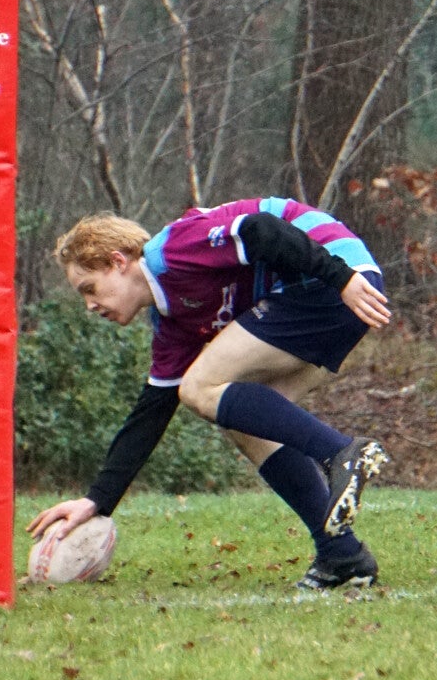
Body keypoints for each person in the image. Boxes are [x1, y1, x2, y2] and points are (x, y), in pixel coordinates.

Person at [28, 197, 393, 588]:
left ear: (117, 262)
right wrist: (97, 501)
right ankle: (342, 554)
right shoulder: (172, 324)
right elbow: (150, 415)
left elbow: (262, 229)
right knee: (243, 420)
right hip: (328, 289)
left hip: (334, 277)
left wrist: (341, 278)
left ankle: (341, 453)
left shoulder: (172, 252)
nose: (89, 305)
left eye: (90, 288)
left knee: (200, 387)